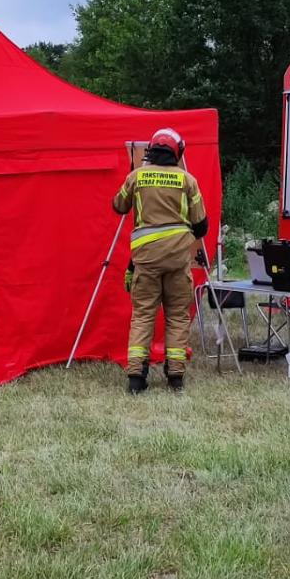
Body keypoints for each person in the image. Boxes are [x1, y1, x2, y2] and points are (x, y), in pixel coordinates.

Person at [112, 127, 207, 394]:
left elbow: (118, 205)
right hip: (178, 260)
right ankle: (175, 376)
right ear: (178, 152)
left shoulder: (137, 177)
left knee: (142, 315)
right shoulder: (188, 181)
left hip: (146, 261)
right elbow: (201, 226)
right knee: (177, 315)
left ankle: (136, 378)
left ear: (152, 150)